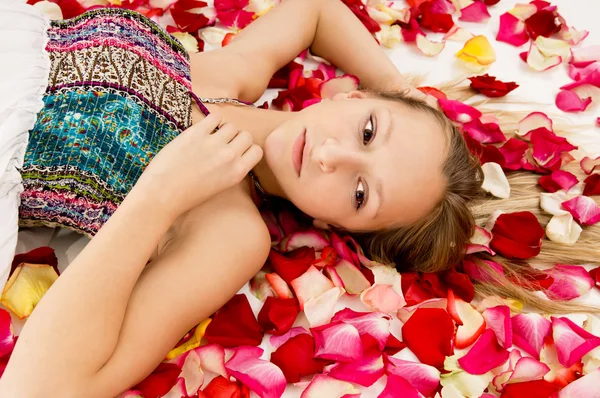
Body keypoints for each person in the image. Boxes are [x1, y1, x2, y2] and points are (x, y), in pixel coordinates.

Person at [0, 0, 597, 397]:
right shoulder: (234, 76)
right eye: (368, 130)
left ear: (331, 223)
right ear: (350, 96)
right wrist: (402, 92)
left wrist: (156, 197)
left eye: (360, 192)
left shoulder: (229, 232)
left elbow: (43, 387)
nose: (331, 156)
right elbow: (315, 9)